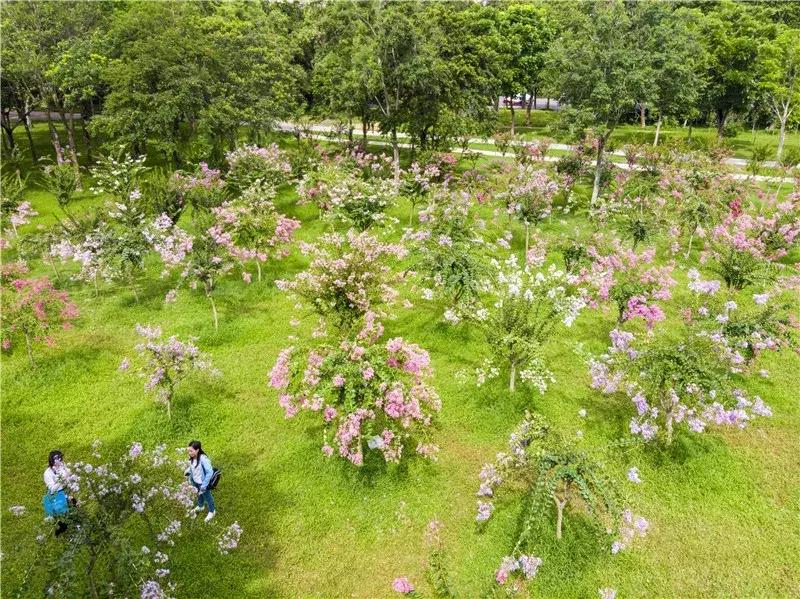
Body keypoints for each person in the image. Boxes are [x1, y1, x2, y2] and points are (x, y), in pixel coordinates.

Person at [43, 450, 74, 536]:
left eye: (60, 458)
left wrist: (71, 476)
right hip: (58, 497)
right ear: (52, 461)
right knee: (64, 519)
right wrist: (62, 480)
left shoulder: (63, 466)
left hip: (67, 493)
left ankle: (76, 528)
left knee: (75, 508)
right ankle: (63, 532)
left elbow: (70, 475)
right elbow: (52, 489)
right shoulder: (47, 473)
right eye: (58, 459)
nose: (60, 461)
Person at [185, 441, 215, 522]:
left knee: (208, 497)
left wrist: (204, 485)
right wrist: (187, 471)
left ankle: (212, 511)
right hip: (195, 481)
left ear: (197, 450)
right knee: (198, 494)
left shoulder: (203, 459)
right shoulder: (192, 458)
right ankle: (200, 506)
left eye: (191, 451)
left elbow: (210, 472)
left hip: (202, 482)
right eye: (188, 451)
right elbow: (192, 467)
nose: (189, 453)